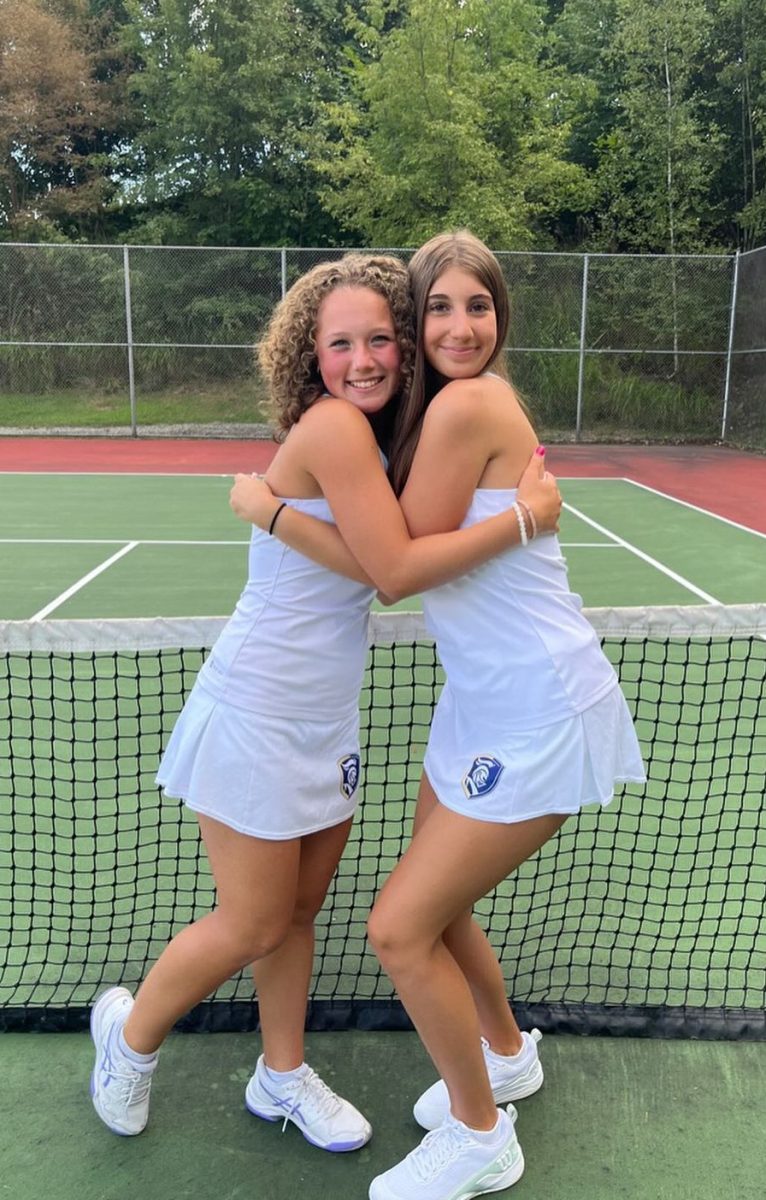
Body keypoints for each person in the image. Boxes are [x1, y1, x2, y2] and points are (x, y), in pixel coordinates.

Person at [89, 251, 562, 1156]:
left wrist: (275, 511)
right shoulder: (339, 429)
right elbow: (390, 573)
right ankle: (131, 1038)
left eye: (381, 337)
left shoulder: (394, 436)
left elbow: (402, 541)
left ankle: (280, 1074)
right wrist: (525, 517)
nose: (364, 359)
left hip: (324, 718)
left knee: (298, 916)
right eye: (340, 342)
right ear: (310, 353)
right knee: (253, 920)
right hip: (259, 707)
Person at [236, 230, 646, 1200]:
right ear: (413, 325)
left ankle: (479, 1134)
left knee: (397, 929)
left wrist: (275, 511)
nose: (462, 326)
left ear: (499, 316)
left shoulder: (468, 405)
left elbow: (395, 564)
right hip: (479, 702)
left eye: (480, 305)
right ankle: (503, 1054)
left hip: (539, 706)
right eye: (439, 308)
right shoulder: (435, 416)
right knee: (438, 905)